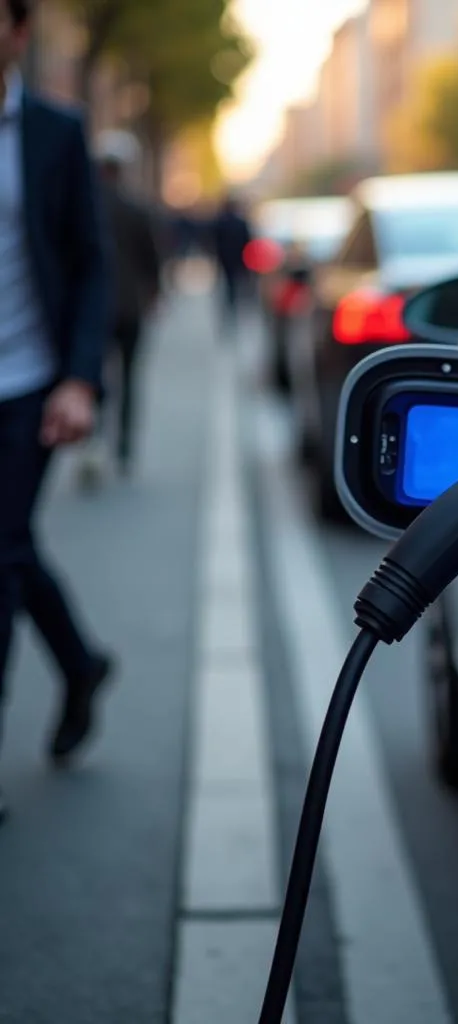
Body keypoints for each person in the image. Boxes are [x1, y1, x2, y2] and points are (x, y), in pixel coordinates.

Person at [0, 0, 115, 819]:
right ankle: (78, 662)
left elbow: (91, 265)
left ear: (16, 31)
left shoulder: (53, 133)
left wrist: (79, 380)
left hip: (27, 385)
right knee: (7, 547)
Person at [77, 129, 161, 485]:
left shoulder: (87, 208)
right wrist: (154, 296)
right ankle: (123, 449)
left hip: (96, 311)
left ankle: (94, 444)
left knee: (95, 378)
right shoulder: (135, 208)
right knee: (129, 378)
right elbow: (152, 260)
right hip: (130, 308)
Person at [211, 192, 252, 332]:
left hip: (226, 258)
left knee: (231, 284)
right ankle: (235, 305)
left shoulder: (220, 222)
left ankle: (231, 305)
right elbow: (247, 242)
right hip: (238, 259)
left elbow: (215, 242)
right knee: (237, 283)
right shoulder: (241, 223)